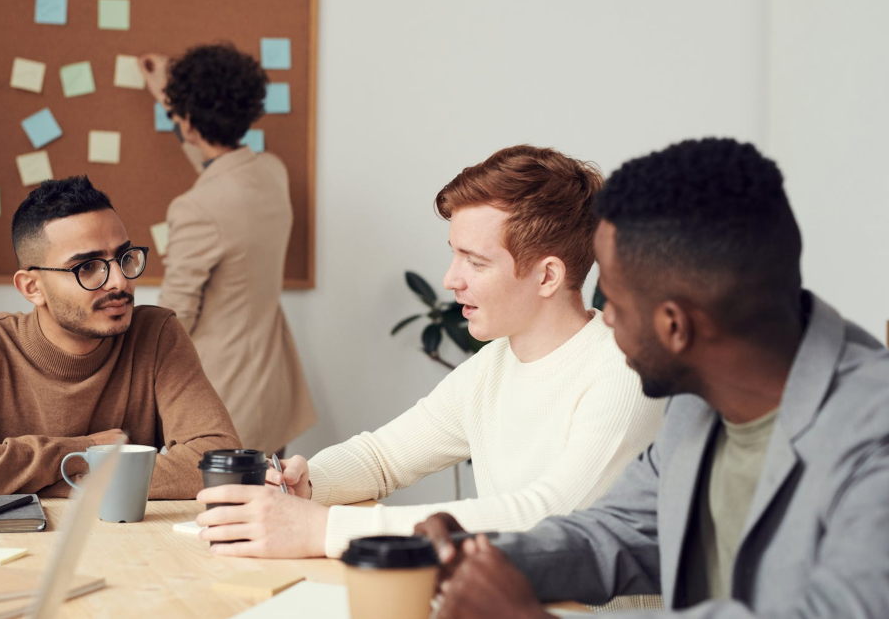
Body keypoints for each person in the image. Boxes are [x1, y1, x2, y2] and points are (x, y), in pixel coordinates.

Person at [418, 138, 889, 618]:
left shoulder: (875, 436)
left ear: (674, 326)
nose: (606, 319)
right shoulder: (699, 401)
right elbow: (624, 532)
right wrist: (483, 555)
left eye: (616, 302)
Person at [194, 145, 666, 559]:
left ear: (548, 276)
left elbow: (545, 520)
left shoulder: (622, 373)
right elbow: (384, 458)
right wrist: (309, 481)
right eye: (454, 254)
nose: (450, 279)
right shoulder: (494, 365)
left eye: (476, 262)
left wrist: (325, 530)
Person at [0, 176, 241, 505]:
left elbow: (219, 460)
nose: (119, 282)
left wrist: (59, 481)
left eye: (124, 257)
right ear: (32, 287)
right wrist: (78, 452)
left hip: (122, 550)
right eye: (88, 267)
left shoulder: (156, 336)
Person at [137, 44, 316, 455]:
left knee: (217, 517)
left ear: (190, 124)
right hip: (271, 392)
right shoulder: (271, 172)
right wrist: (175, 102)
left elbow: (175, 316)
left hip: (223, 398)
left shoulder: (196, 208)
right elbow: (219, 171)